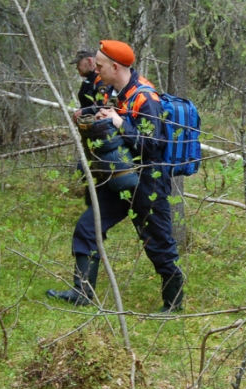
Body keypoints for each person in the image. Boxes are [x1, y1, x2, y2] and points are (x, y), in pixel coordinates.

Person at [47, 40, 184, 313]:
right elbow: (109, 122)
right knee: (88, 228)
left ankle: (174, 304)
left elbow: (153, 146)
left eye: (99, 66)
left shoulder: (146, 98)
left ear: (115, 66)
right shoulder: (114, 92)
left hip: (148, 182)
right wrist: (92, 115)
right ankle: (81, 293)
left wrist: (122, 124)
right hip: (118, 177)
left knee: (158, 243)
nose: (94, 69)